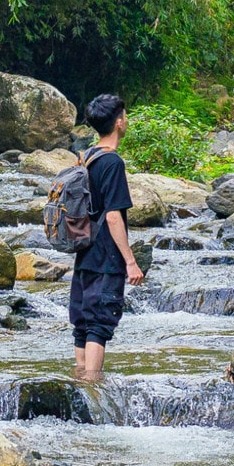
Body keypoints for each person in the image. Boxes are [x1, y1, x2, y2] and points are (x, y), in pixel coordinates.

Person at [70, 93, 144, 382]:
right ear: (118, 122)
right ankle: (92, 387)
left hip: (84, 250)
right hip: (106, 255)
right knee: (99, 324)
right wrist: (130, 262)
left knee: (82, 322)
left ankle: (79, 383)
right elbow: (114, 216)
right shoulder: (112, 162)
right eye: (124, 116)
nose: (126, 120)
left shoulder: (85, 157)